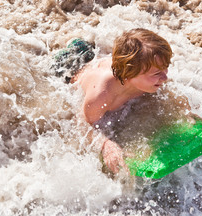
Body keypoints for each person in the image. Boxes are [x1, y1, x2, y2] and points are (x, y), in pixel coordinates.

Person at [53, 28, 172, 174]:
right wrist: (105, 145)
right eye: (157, 73)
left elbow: (172, 97)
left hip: (99, 62)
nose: (165, 77)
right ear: (130, 74)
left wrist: (189, 115)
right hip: (71, 68)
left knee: (87, 52)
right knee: (68, 55)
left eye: (166, 68)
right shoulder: (102, 95)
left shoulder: (146, 79)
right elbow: (81, 123)